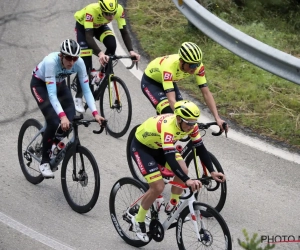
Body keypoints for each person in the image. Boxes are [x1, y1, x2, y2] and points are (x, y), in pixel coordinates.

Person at [129, 100, 226, 242]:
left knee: (183, 169)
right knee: (158, 187)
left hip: (159, 147)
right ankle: (138, 219)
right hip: (142, 147)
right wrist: (187, 180)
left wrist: (212, 171)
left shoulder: (190, 125)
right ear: (179, 119)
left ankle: (172, 204)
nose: (192, 127)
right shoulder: (169, 127)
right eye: (189, 123)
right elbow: (170, 158)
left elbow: (200, 148)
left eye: (194, 123)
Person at [31, 39, 105, 178]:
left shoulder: (79, 63)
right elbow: (52, 95)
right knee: (54, 121)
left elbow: (87, 90)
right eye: (68, 58)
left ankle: (52, 143)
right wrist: (61, 116)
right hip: (40, 85)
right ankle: (44, 162)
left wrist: (95, 113)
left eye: (74, 58)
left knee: (70, 118)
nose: (71, 62)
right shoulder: (51, 62)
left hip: (59, 84)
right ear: (61, 56)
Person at [141, 41, 228, 132]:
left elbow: (206, 93)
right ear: (181, 61)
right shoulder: (169, 67)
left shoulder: (198, 67)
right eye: (192, 65)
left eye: (197, 64)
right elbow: (171, 100)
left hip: (170, 81)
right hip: (151, 82)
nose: (195, 68)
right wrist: (185, 120)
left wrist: (217, 118)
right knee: (170, 113)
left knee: (185, 113)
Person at [73, 0, 140, 112]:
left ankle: (101, 74)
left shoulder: (119, 10)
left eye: (113, 13)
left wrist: (131, 51)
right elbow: (89, 36)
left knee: (112, 45)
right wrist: (100, 53)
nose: (111, 16)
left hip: (100, 26)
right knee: (86, 64)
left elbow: (124, 31)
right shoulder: (91, 11)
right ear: (101, 10)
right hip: (83, 28)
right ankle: (78, 97)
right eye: (108, 14)